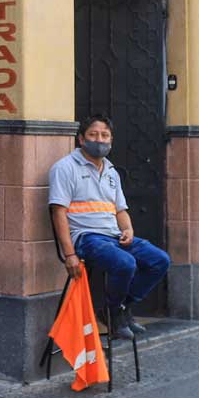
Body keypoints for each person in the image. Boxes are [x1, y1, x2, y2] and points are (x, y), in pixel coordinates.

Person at [49, 113, 171, 340]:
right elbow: (58, 213)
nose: (100, 140)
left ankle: (119, 307)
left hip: (114, 236)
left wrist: (129, 230)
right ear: (81, 139)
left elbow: (120, 210)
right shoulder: (65, 168)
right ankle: (113, 312)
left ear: (111, 140)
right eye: (93, 135)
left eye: (105, 135)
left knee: (159, 260)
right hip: (87, 238)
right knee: (125, 263)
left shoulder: (112, 172)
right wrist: (69, 254)